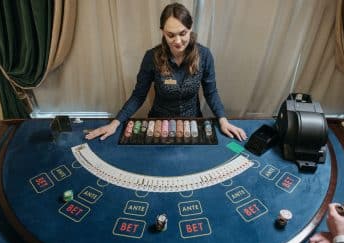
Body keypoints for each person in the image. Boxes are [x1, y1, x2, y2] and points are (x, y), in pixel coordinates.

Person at [85, 3, 247, 141]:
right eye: (170, 35)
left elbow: (211, 93)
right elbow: (138, 95)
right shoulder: (151, 57)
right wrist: (115, 123)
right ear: (162, 31)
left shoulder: (204, 55)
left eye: (183, 33)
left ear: (190, 28)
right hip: (158, 124)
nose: (177, 41)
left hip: (192, 125)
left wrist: (223, 120)